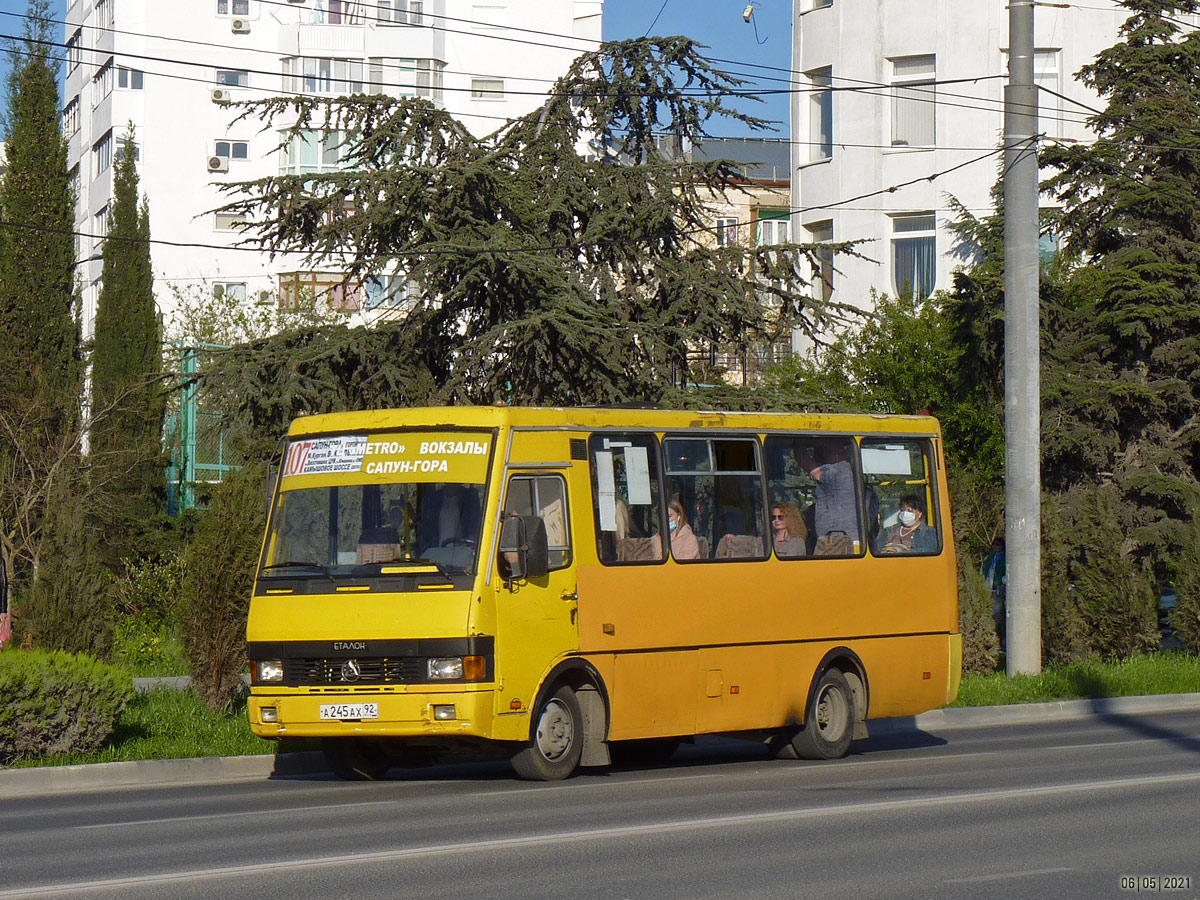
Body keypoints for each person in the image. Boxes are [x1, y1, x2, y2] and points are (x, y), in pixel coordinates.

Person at [794, 440, 860, 555]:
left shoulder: (836, 472)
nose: (816, 454)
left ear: (833, 450)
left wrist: (797, 441)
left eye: (820, 449)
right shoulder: (848, 471)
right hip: (842, 539)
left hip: (837, 542)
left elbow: (801, 457)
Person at [981, 537, 1007, 648]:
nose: (995, 547)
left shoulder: (1006, 557)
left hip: (998, 590)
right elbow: (982, 571)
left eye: (998, 545)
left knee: (998, 615)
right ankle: (990, 639)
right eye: (994, 545)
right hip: (988, 589)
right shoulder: (989, 558)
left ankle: (1001, 640)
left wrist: (1002, 581)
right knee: (989, 614)